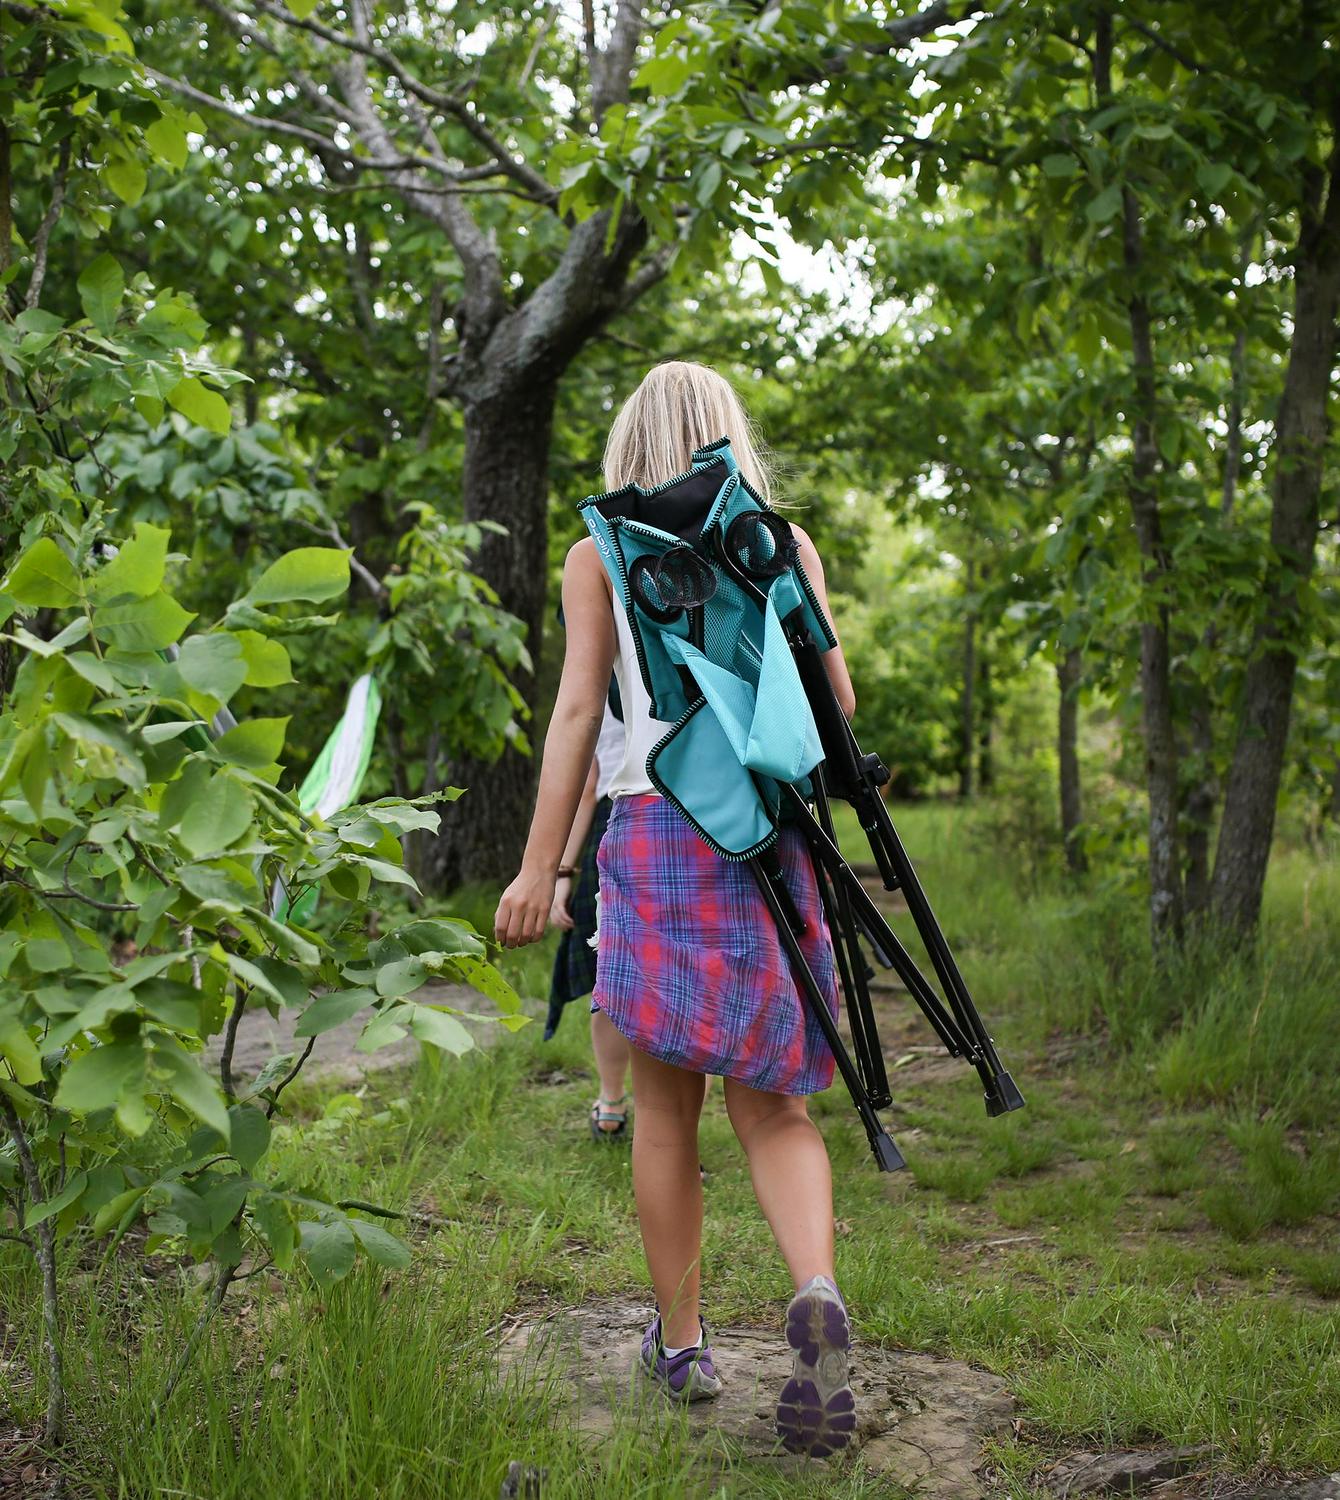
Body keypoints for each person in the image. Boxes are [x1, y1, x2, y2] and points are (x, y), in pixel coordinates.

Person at [494, 361, 858, 1458]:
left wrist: (537, 868)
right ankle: (815, 1294)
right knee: (777, 1110)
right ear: (726, 437)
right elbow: (836, 707)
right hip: (765, 838)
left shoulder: (596, 554)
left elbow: (572, 717)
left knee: (664, 1112)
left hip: (653, 834)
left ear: (626, 442)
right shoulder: (781, 544)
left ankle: (685, 1344)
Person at [544, 695, 634, 1142]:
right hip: (690, 816)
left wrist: (562, 872)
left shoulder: (603, 669)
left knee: (610, 974)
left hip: (615, 819)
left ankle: (612, 1103)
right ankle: (677, 1121)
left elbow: (586, 783)